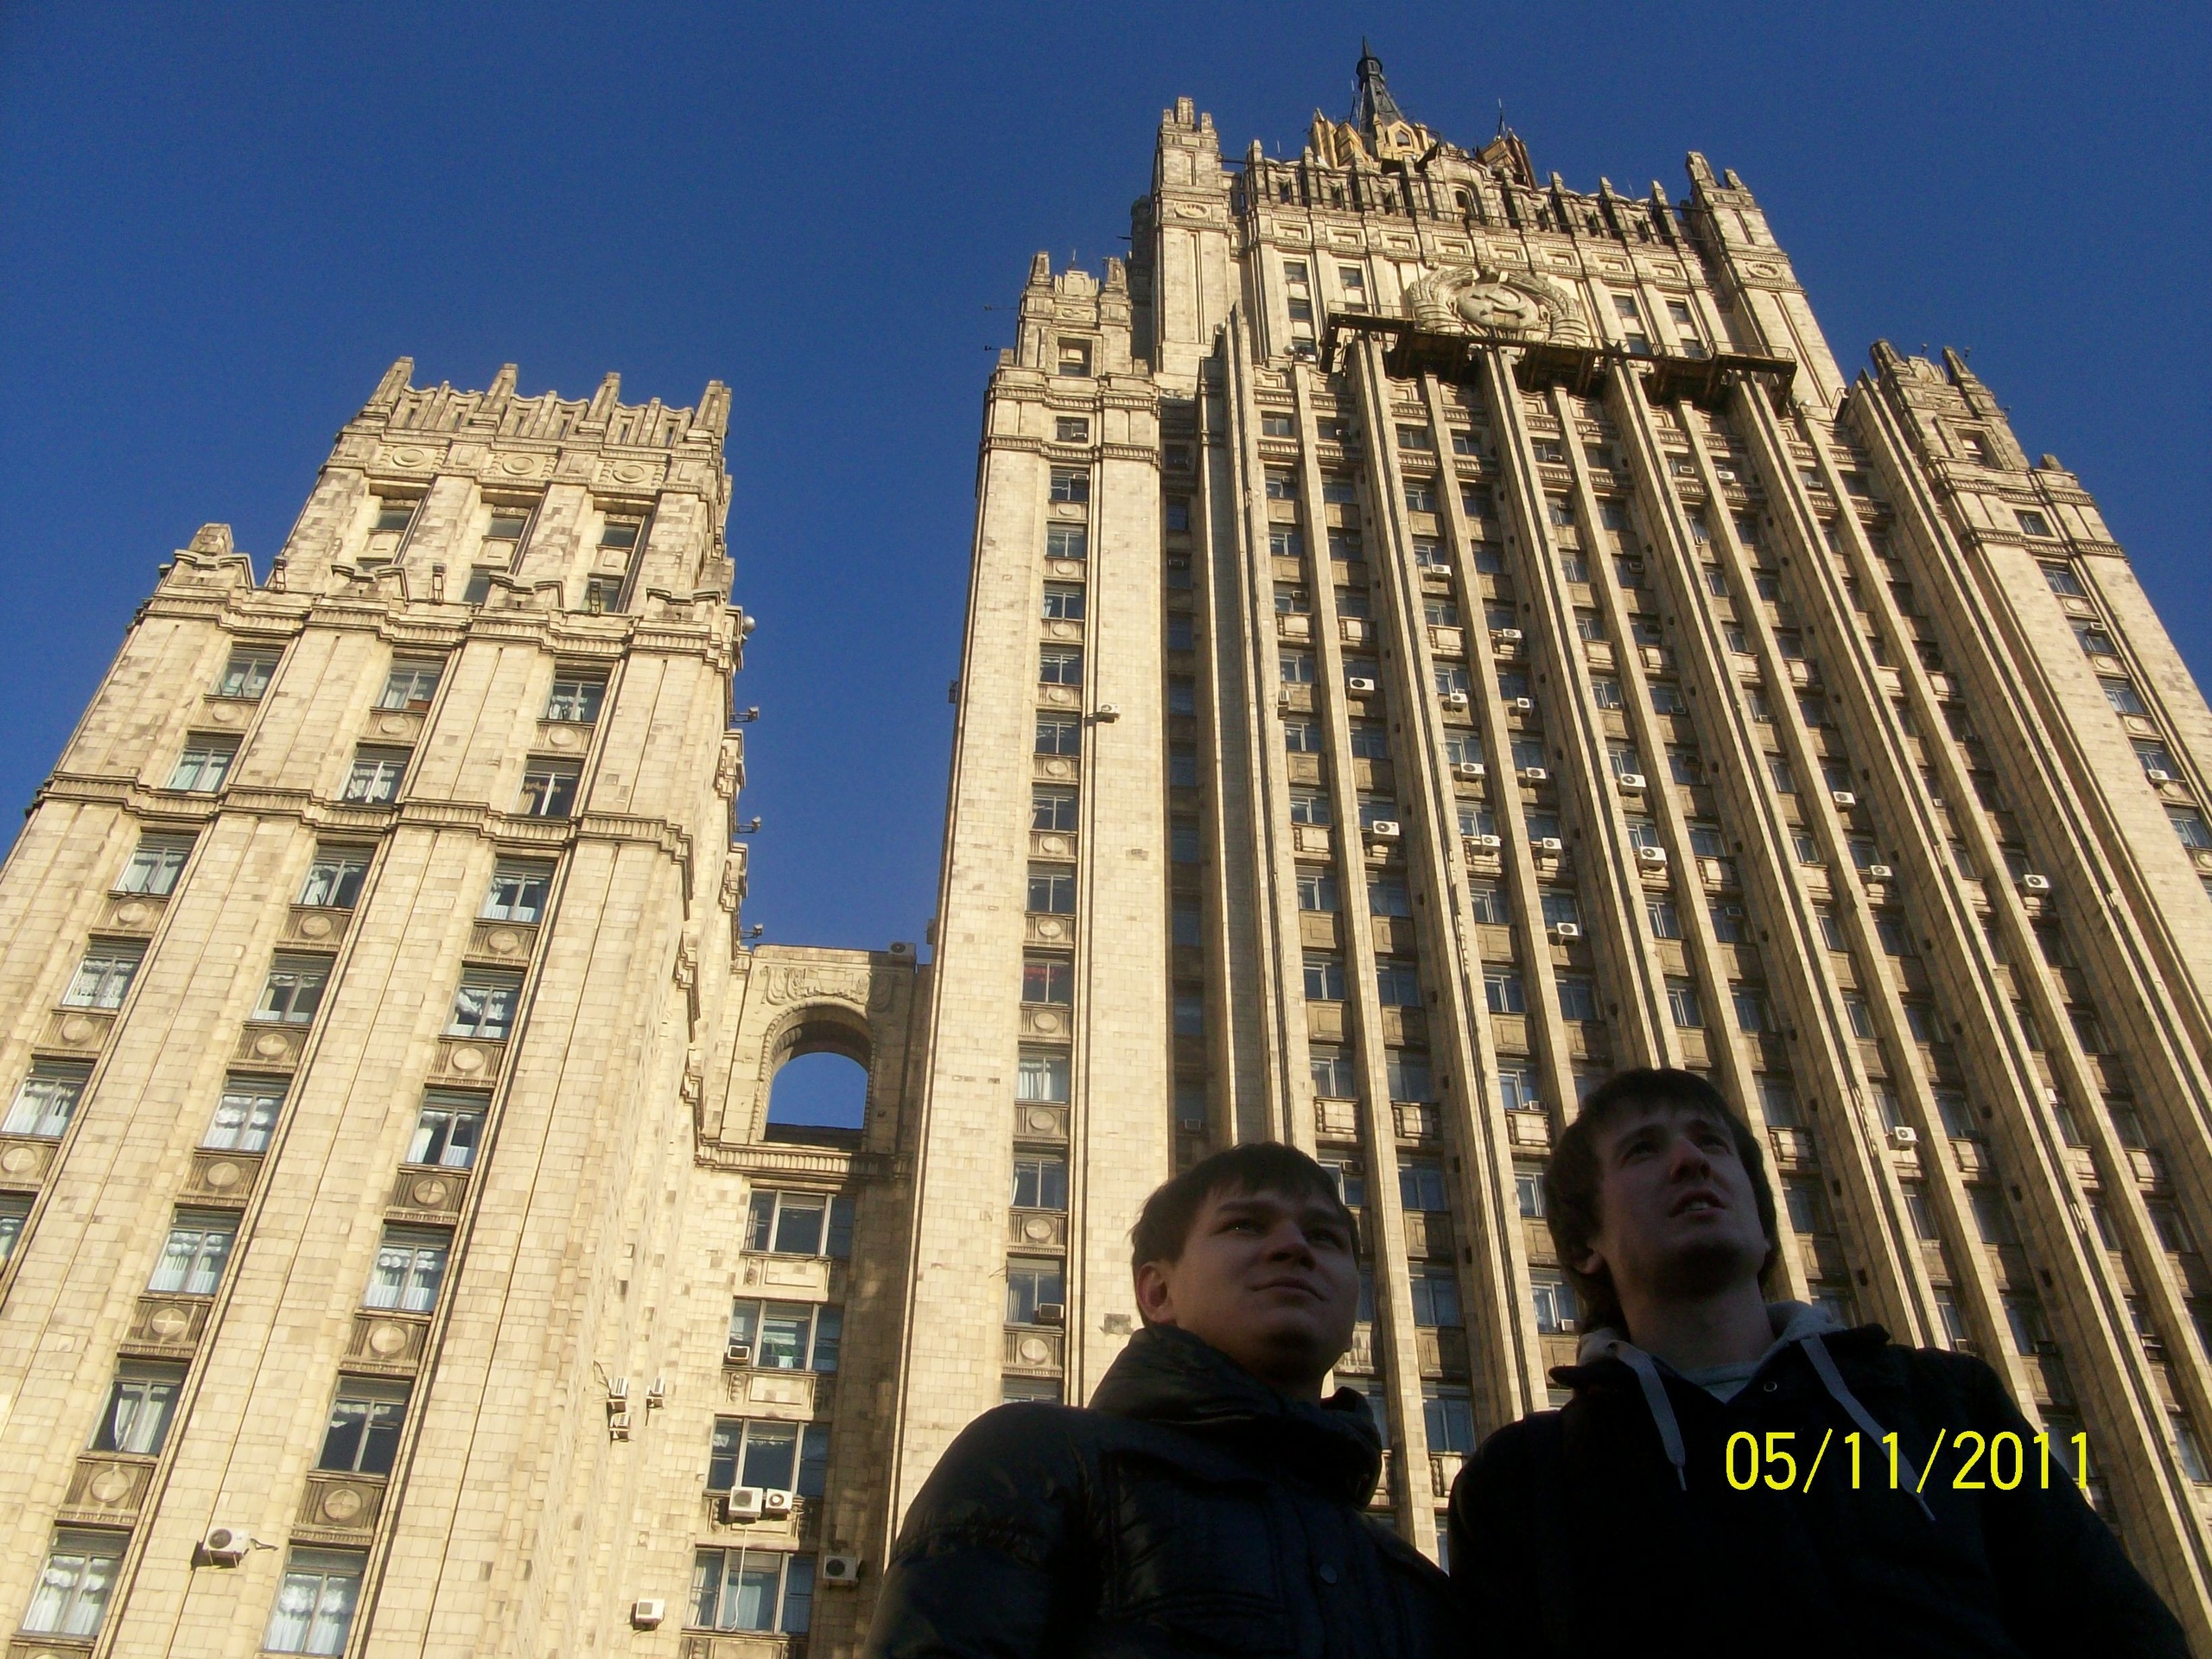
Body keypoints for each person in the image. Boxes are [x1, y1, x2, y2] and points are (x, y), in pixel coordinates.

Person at [1449, 1065, 2186, 1658]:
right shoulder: (1527, 1481)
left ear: (1765, 1227)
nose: (1689, 1161)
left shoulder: (1944, 1406)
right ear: (1586, 1245)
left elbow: (2115, 1627)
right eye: (1643, 1150)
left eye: (1712, 1144)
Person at [863, 1141, 1456, 1658]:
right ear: (1158, 1292)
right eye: (1246, 1226)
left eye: (1324, 1237)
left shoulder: (1414, 1584)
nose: (1294, 1247)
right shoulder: (1040, 1460)